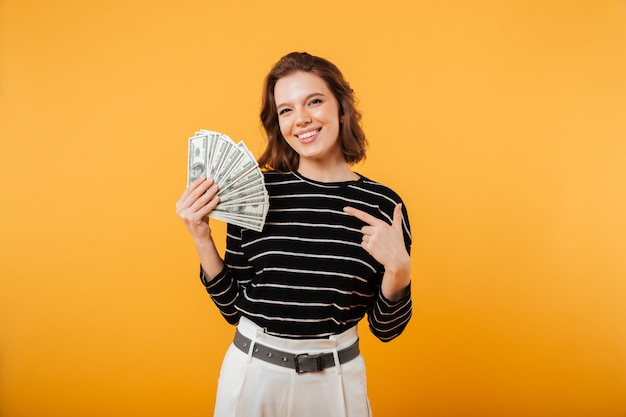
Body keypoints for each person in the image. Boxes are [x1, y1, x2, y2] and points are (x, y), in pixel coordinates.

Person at [176, 51, 412, 417]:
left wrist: (399, 270)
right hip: (253, 378)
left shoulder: (383, 205)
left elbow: (386, 329)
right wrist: (201, 237)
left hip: (337, 384)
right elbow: (233, 308)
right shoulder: (255, 191)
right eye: (286, 110)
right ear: (277, 122)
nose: (301, 119)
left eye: (314, 102)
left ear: (341, 108)